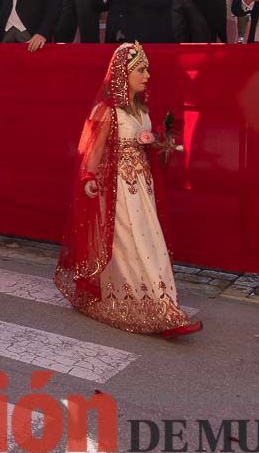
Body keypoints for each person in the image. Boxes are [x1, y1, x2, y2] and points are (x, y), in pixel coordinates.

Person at [54, 42, 202, 339]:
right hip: (119, 191)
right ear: (124, 73)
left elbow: (142, 145)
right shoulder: (108, 110)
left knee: (150, 242)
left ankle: (162, 306)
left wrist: (159, 145)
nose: (147, 75)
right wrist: (88, 178)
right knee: (128, 245)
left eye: (147, 69)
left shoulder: (141, 109)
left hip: (142, 191)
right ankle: (146, 306)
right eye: (141, 70)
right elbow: (93, 152)